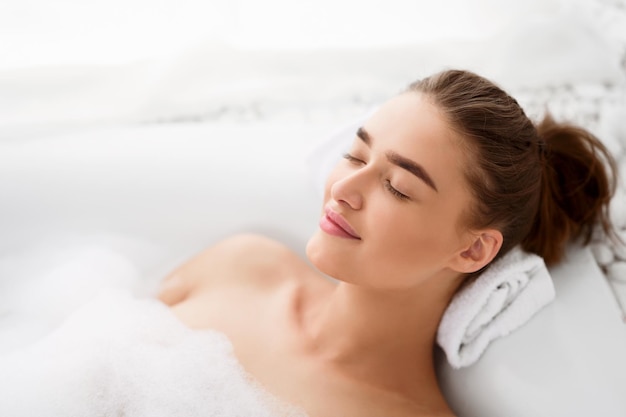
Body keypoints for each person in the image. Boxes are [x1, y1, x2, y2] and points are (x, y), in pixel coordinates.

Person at [157, 69, 619, 417]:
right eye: (355, 155)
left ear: (472, 250)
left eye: (397, 186)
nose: (343, 189)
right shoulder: (240, 266)